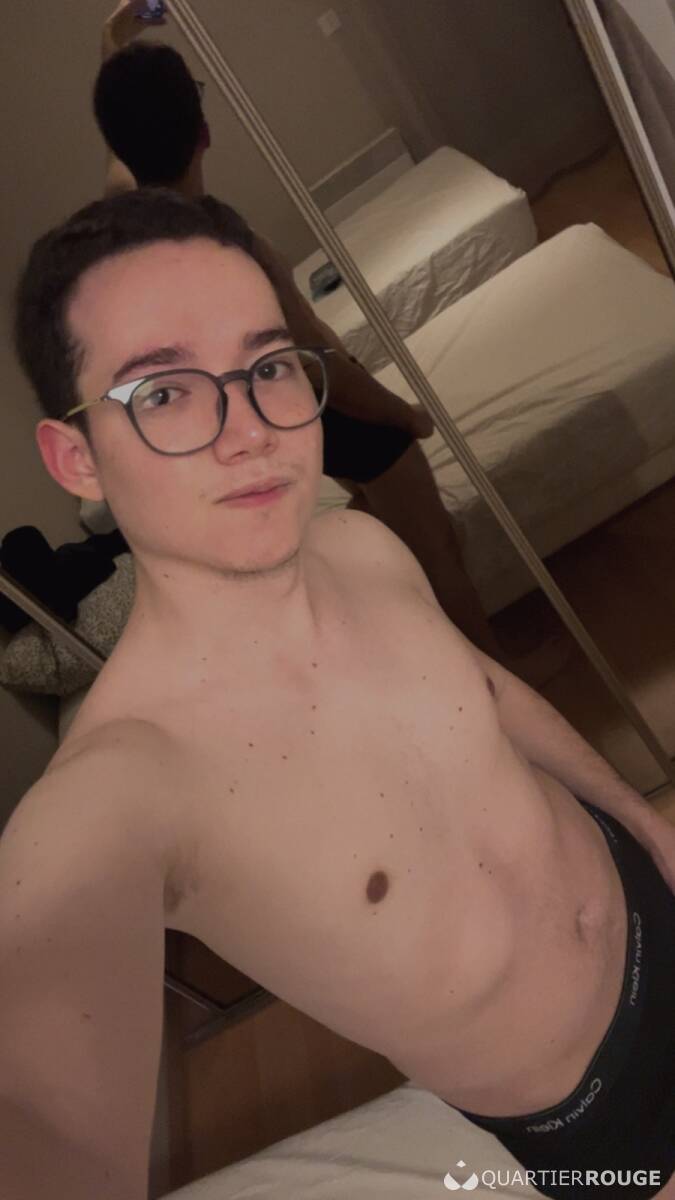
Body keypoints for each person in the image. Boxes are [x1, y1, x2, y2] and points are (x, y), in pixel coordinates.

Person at [2, 189, 673, 1200]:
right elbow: (45, 1118)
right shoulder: (121, 791)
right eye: (165, 391)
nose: (249, 430)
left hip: (647, 894)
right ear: (76, 458)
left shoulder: (359, 543)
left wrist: (642, 820)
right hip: (597, 1108)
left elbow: (487, 693)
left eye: (268, 366)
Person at [90, 0, 569, 685]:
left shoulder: (128, 216)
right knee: (438, 550)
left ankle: (381, 614)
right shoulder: (233, 249)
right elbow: (318, 371)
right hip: (321, 406)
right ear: (204, 133)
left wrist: (112, 37)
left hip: (262, 414)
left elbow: (121, 143)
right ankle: (499, 684)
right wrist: (403, 415)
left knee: (385, 522)